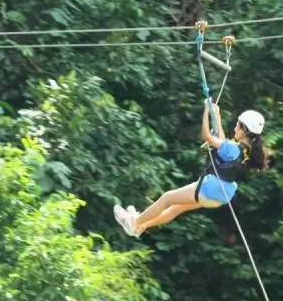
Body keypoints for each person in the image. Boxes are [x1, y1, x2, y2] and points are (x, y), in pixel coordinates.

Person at [114, 101, 269, 237]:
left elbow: (207, 136)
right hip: (222, 196)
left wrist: (206, 111)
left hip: (210, 189)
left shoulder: (233, 148)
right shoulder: (246, 151)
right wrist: (217, 116)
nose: (235, 127)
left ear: (244, 130)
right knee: (176, 208)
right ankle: (142, 226)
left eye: (237, 125)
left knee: (166, 198)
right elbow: (221, 141)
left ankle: (134, 223)